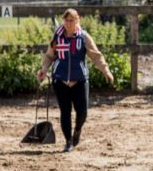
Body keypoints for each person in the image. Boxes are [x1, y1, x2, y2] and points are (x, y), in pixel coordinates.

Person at [36, 8, 114, 152]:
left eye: (72, 20)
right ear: (63, 20)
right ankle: (68, 141)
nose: (69, 23)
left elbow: (96, 56)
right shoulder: (57, 37)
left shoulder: (83, 37)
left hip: (80, 80)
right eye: (66, 20)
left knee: (82, 112)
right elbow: (49, 56)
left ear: (77, 20)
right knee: (65, 112)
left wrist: (106, 70)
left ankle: (77, 130)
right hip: (60, 80)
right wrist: (44, 70)